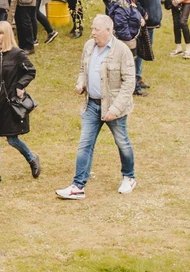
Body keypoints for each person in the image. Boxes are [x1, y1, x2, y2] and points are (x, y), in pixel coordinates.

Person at [57, 14, 137, 200]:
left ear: (108, 31)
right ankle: (78, 186)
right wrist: (81, 83)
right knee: (85, 144)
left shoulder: (122, 51)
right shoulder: (88, 46)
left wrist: (115, 110)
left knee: (122, 143)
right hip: (92, 105)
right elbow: (82, 70)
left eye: (96, 29)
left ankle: (129, 177)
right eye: (92, 28)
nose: (92, 32)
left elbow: (129, 84)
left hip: (113, 108)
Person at [0, 21, 40, 185]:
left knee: (12, 139)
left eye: (0, 33)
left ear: (7, 34)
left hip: (10, 103)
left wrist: (20, 86)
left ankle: (32, 158)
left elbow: (31, 71)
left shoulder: (17, 53)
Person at [128, 0, 162, 92]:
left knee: (144, 50)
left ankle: (138, 76)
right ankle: (133, 81)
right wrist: (143, 13)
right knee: (137, 51)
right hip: (140, 22)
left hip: (150, 21)